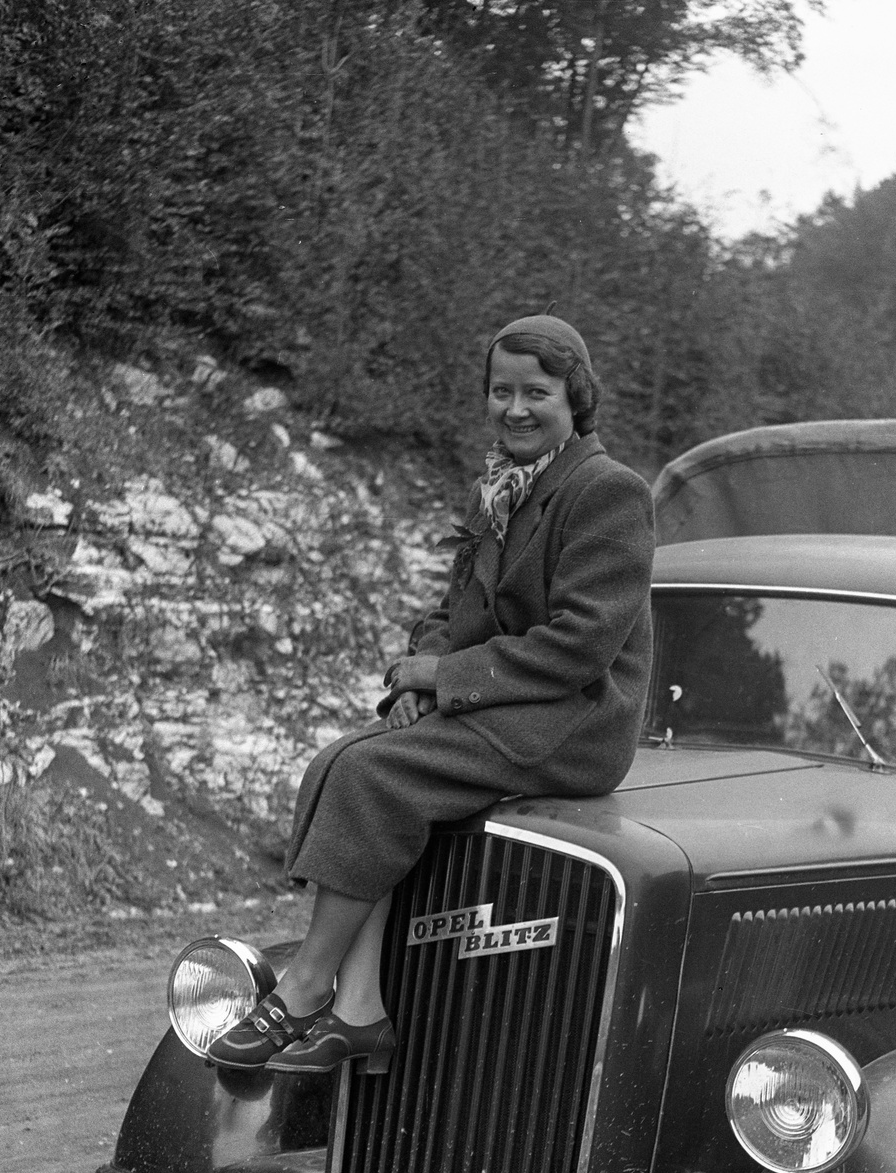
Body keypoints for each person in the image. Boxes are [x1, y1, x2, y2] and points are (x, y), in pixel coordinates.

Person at [208, 313, 655, 1075]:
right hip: (506, 703)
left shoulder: (607, 491)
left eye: (535, 393)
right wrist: (420, 677)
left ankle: (308, 987)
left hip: (573, 721)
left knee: (373, 774)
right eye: (499, 391)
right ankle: (361, 1009)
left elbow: (582, 645)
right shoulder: (502, 487)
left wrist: (445, 680)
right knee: (342, 760)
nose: (514, 409)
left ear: (576, 399)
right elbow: (456, 613)